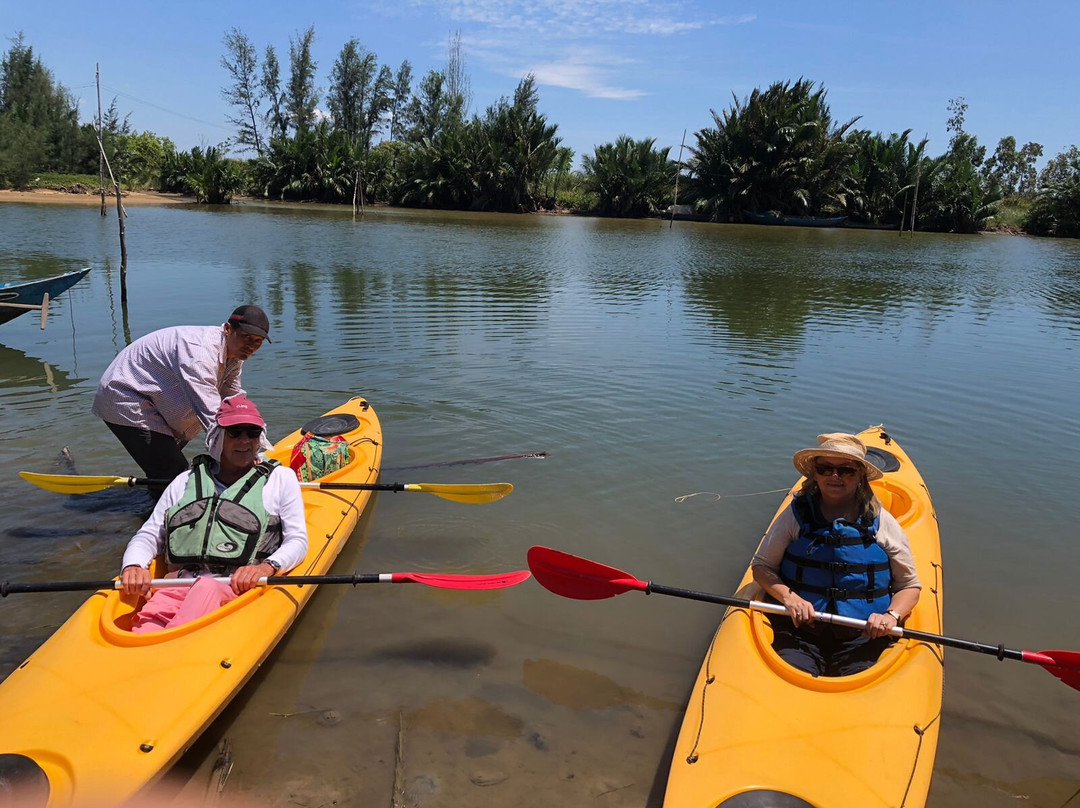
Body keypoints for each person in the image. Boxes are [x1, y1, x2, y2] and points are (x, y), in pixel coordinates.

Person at [119, 394, 307, 633]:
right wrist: (133, 566)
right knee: (144, 631)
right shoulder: (184, 481)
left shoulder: (280, 479)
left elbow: (298, 541)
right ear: (218, 437)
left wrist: (266, 567)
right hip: (176, 586)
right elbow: (148, 535)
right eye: (235, 432)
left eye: (252, 433)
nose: (244, 440)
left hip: (235, 589)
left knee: (207, 589)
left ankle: (171, 646)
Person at [751, 433, 921, 677]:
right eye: (825, 468)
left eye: (846, 470)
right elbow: (762, 567)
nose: (834, 476)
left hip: (863, 638)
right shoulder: (795, 515)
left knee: (858, 680)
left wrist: (891, 615)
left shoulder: (882, 522)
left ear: (861, 475)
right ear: (815, 473)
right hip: (798, 633)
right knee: (794, 676)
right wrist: (790, 598)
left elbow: (910, 586)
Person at [91, 305, 272, 493]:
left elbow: (233, 402)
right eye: (246, 338)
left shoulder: (235, 355)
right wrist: (241, 456)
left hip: (157, 400)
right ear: (227, 329)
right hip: (126, 395)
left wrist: (256, 444)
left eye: (257, 341)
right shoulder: (200, 355)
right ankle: (161, 518)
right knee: (172, 473)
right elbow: (212, 415)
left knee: (166, 469)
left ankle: (157, 499)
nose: (251, 346)